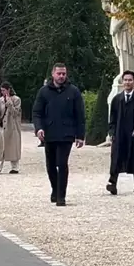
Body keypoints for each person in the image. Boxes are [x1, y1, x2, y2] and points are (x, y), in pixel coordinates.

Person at [32, 63, 85, 206]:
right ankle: (55, 189)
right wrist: (39, 128)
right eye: (59, 73)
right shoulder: (44, 92)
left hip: (67, 134)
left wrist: (80, 136)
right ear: (53, 74)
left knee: (62, 164)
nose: (61, 76)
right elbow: (37, 113)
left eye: (63, 74)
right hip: (49, 133)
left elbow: (80, 115)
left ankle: (61, 196)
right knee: (50, 165)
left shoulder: (73, 91)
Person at [106, 70, 134, 195]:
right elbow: (112, 118)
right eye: (125, 80)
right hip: (120, 132)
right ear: (122, 81)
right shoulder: (117, 99)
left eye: (130, 80)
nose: (127, 82)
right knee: (116, 157)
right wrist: (112, 132)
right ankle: (112, 183)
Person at [0, 82, 22, 175]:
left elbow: (15, 113)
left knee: (13, 147)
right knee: (1, 147)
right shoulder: (1, 99)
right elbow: (0, 114)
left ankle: (15, 167)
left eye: (4, 90)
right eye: (1, 90)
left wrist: (9, 103)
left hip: (13, 127)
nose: (2, 92)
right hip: (4, 126)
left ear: (8, 90)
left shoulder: (16, 99)